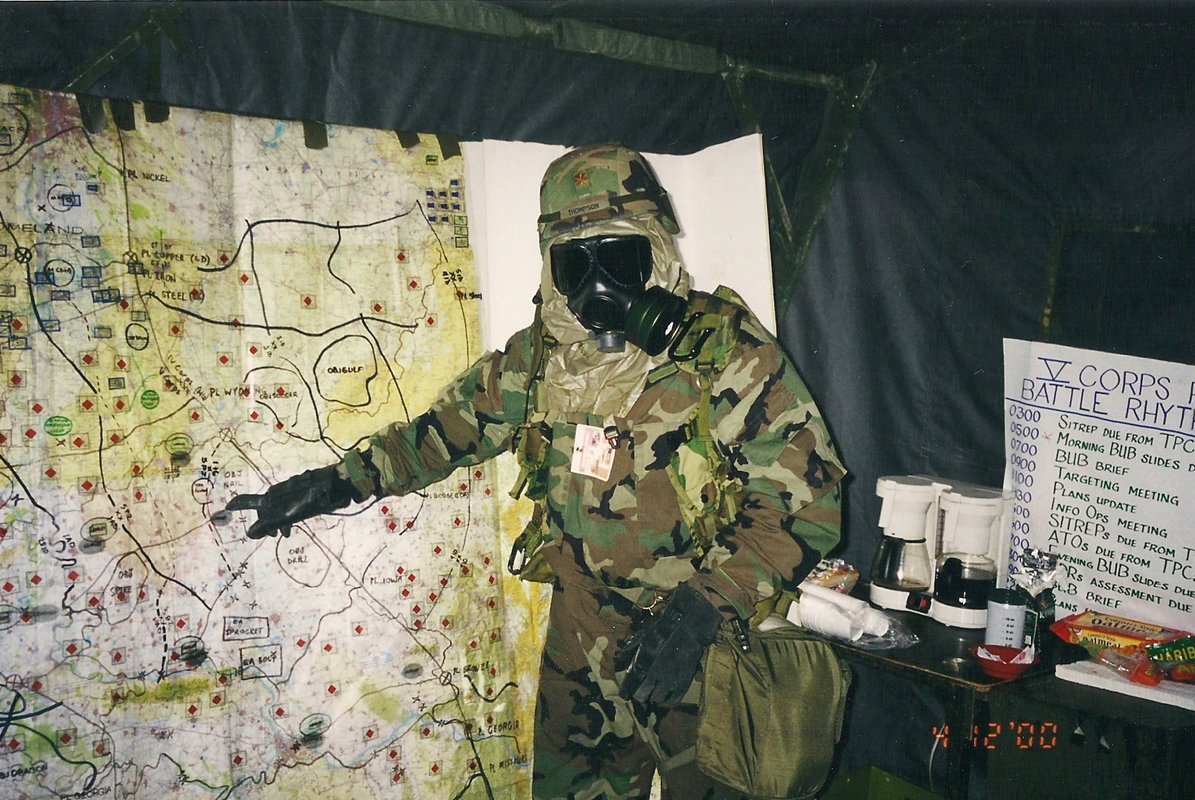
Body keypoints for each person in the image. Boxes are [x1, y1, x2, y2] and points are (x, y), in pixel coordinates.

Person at [224, 144, 846, 800]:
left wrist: (708, 603)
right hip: (582, 643)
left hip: (698, 644)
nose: (598, 288)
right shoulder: (541, 361)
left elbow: (809, 504)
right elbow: (442, 435)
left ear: (657, 253)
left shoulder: (727, 356)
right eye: (576, 265)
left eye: (619, 259)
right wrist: (337, 482)